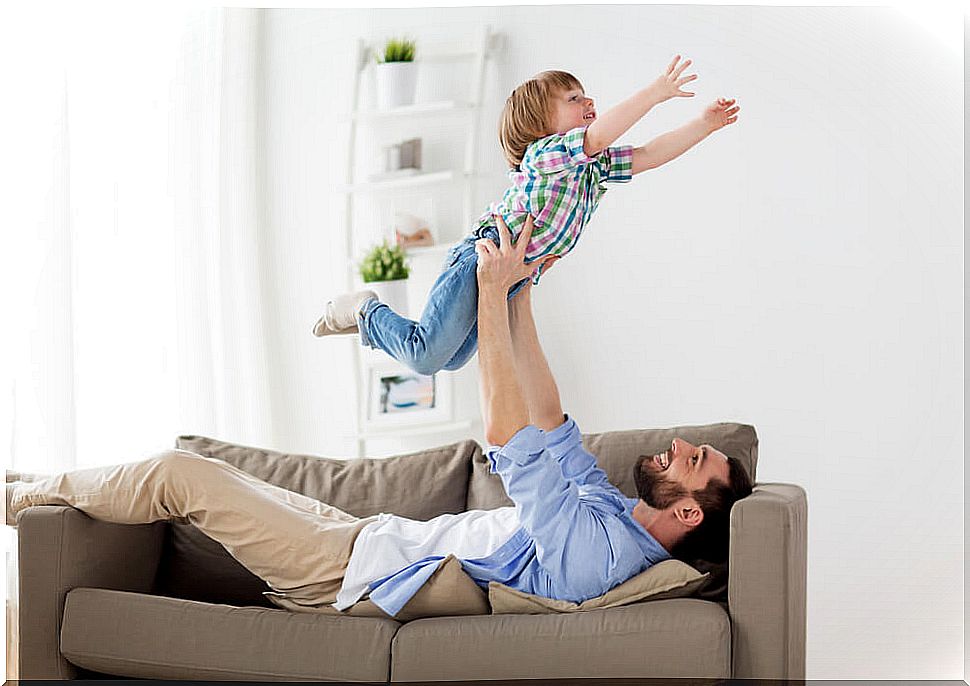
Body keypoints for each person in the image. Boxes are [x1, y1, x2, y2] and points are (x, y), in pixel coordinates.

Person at [6, 214, 752, 618]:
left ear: (688, 514)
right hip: (365, 538)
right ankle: (33, 481)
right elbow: (550, 421)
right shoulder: (616, 515)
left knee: (182, 474)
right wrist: (520, 293)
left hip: (348, 574)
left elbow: (510, 438)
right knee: (213, 474)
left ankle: (18, 495)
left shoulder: (602, 556)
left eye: (692, 462)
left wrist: (490, 300)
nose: (680, 445)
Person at [312, 56, 740, 376]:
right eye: (573, 98)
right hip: (482, 262)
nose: (588, 100)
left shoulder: (593, 165)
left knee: (453, 360)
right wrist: (654, 93)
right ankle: (366, 309)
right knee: (427, 357)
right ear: (540, 124)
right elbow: (595, 136)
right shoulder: (544, 155)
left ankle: (367, 323)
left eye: (584, 94)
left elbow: (647, 155)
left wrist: (704, 125)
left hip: (510, 277)